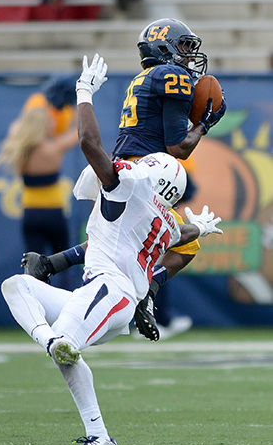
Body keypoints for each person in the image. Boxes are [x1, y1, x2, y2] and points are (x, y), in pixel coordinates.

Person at [1, 54, 223, 445]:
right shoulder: (164, 220)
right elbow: (183, 233)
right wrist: (200, 229)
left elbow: (89, 143)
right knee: (17, 288)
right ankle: (95, 429)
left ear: (151, 175)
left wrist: (84, 92)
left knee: (65, 346)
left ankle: (94, 421)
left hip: (111, 292)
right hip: (105, 294)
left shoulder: (130, 188)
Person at [21, 18, 226, 340]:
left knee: (118, 240)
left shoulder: (148, 76)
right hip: (144, 173)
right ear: (164, 47)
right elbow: (178, 147)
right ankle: (146, 293)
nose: (189, 57)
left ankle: (50, 264)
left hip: (124, 166)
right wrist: (205, 124)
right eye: (184, 47)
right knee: (184, 245)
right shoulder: (171, 75)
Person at [0, 88, 79, 259]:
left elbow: (16, 127)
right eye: (50, 122)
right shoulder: (53, 149)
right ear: (43, 126)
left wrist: (39, 107)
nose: (54, 124)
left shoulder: (19, 150)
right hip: (54, 214)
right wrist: (74, 107)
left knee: (33, 267)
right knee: (63, 263)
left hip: (30, 215)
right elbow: (80, 132)